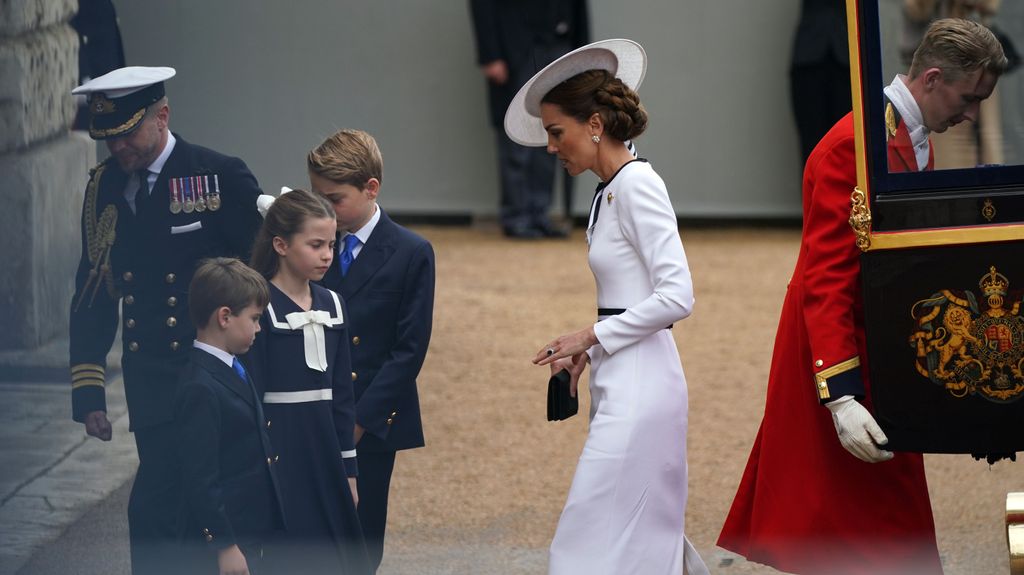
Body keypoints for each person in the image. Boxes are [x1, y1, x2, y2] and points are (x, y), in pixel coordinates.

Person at [718, 19, 1007, 575]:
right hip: (843, 354)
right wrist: (840, 394)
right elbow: (826, 276)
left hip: (878, 349)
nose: (970, 114)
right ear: (932, 78)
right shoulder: (855, 145)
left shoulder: (901, 133)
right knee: (860, 531)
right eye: (968, 98)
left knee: (872, 531)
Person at [505, 39, 709, 575]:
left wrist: (589, 338)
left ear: (594, 124)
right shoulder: (610, 189)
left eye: (556, 133)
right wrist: (589, 354)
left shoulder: (638, 185)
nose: (551, 147)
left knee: (588, 541)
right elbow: (630, 302)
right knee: (624, 539)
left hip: (645, 389)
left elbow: (677, 295)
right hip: (624, 380)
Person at [68, 66, 264, 574]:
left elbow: (261, 278)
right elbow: (92, 287)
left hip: (214, 377)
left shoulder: (219, 176)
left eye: (129, 133)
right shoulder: (103, 189)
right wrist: (88, 390)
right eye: (109, 138)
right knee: (159, 506)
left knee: (204, 498)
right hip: (152, 376)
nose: (119, 149)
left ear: (163, 116)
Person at [309, 129, 435, 573]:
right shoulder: (307, 247)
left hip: (370, 421)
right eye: (317, 197)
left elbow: (409, 349)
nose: (325, 209)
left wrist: (359, 422)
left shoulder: (410, 251)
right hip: (310, 411)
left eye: (335, 199)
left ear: (370, 189)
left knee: (359, 544)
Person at [244, 188, 370, 574]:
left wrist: (348, 471)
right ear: (280, 244)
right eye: (315, 245)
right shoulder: (259, 306)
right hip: (281, 453)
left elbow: (342, 396)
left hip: (325, 454)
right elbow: (251, 395)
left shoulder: (333, 303)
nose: (327, 255)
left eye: (331, 244)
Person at [174, 258, 284, 575]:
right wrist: (224, 545)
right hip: (221, 545)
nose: (259, 328)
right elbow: (201, 477)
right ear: (225, 317)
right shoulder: (200, 386)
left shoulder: (233, 367)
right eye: (255, 318)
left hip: (247, 531)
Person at [469, 0, 589, 238]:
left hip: (558, 44)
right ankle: (517, 216)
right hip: (514, 47)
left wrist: (582, 53)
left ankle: (538, 214)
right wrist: (490, 54)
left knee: (552, 133)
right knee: (515, 131)